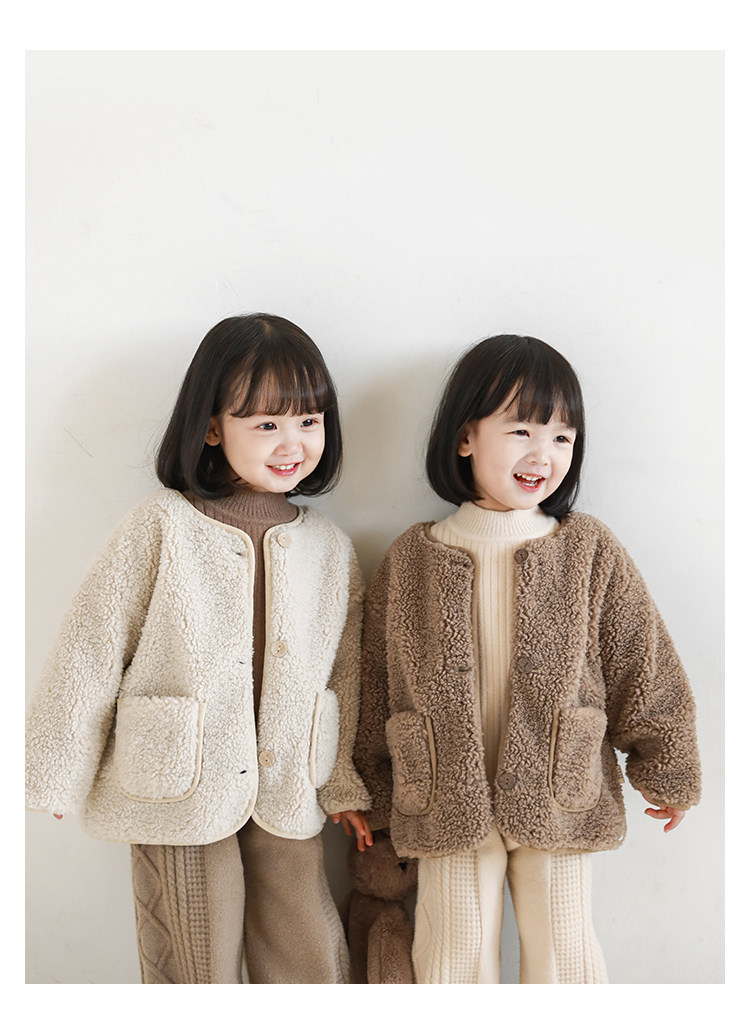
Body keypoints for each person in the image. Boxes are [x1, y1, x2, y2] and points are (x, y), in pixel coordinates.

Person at [26, 313, 373, 984]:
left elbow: (346, 673)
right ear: (213, 428)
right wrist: (57, 765)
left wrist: (341, 785)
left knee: (308, 954)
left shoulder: (329, 547)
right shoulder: (163, 524)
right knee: (193, 960)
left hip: (289, 782)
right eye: (266, 424)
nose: (292, 443)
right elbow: (94, 642)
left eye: (309, 420)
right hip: (176, 785)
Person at [354, 334, 701, 984]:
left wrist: (667, 765)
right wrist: (368, 789)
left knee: (565, 952)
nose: (544, 454)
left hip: (560, 788)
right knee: (452, 953)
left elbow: (643, 662)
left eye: (563, 437)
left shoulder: (587, 550)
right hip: (443, 794)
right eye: (521, 431)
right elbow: (377, 681)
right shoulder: (412, 557)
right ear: (465, 438)